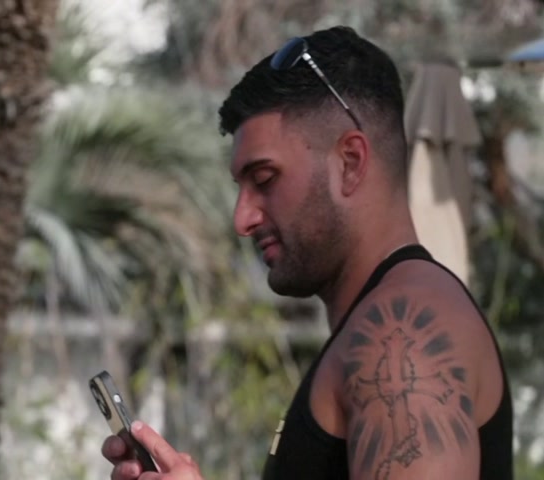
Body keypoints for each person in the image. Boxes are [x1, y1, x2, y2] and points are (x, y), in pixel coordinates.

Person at [100, 25, 513, 480]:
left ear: (350, 163)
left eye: (265, 179)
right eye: (241, 187)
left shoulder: (402, 335)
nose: (242, 219)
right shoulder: (378, 324)